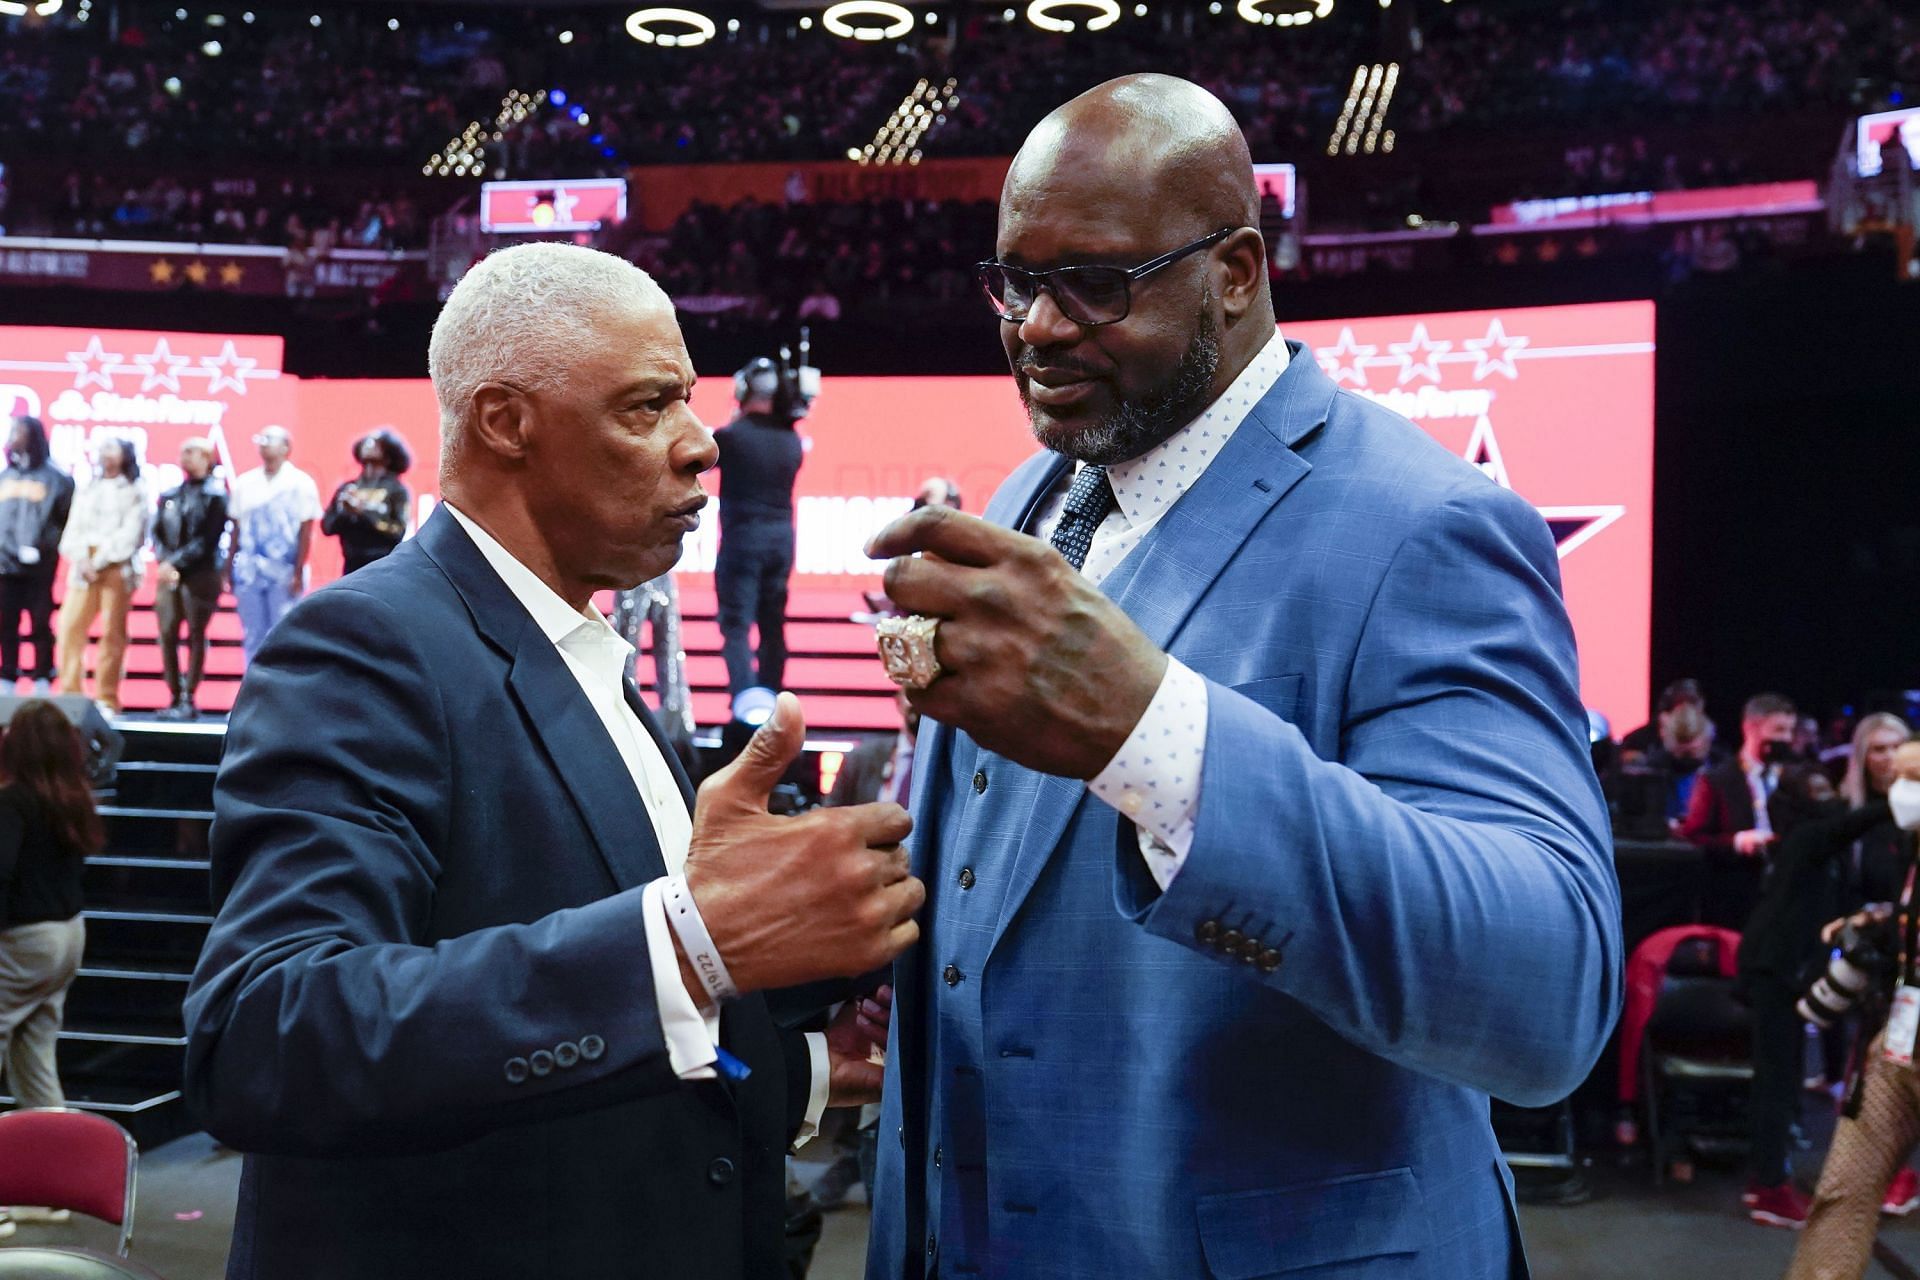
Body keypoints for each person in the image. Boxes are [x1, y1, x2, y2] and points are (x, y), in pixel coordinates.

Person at [862, 75, 1619, 1279]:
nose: (1040, 327)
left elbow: (1549, 986)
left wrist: (1159, 735)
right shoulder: (1028, 498)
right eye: (1016, 279)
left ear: (1236, 269)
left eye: (1097, 282)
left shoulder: (1428, 525)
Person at [183, 242, 925, 1280]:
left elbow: (613, 1033)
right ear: (506, 422)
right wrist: (695, 938)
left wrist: (800, 1069)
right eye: (646, 406)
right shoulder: (364, 643)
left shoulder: (585, 655)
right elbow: (270, 1033)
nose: (701, 443)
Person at [1735, 765, 1893, 1229]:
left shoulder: (1827, 850)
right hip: (1773, 968)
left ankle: (1769, 1181)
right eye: (1820, 791)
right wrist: (1896, 801)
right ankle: (1768, 1188)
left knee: (1782, 1079)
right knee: (1776, 1081)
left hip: (1786, 967)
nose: (1832, 798)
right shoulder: (1806, 838)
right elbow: (1844, 825)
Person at [1786, 740, 1920, 1279]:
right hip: (1899, 1048)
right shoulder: (1911, 851)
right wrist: (1879, 924)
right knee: (1843, 1192)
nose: (1905, 797)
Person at [0, 700, 103, 1112]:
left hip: (26, 939)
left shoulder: (12, 802)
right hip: (69, 934)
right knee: (35, 1057)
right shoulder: (74, 798)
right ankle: (56, 1155)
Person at [714, 357, 805, 696]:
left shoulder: (732, 437)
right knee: (773, 626)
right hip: (782, 541)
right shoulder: (791, 441)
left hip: (742, 541)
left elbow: (698, 459)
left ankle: (745, 707)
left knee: (736, 626)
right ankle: (773, 709)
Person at [1682, 692, 1799, 927]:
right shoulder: (1717, 779)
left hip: (1786, 894)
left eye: (1789, 731)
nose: (1785, 739)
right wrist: (1737, 841)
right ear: (1751, 728)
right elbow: (1694, 837)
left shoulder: (1797, 776)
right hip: (1735, 894)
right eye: (1778, 730)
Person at [54, 437, 148, 714]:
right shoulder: (88, 487)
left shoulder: (134, 489)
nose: (106, 454)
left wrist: (100, 559)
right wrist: (82, 558)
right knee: (69, 627)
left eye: (112, 449)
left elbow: (131, 533)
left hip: (116, 566)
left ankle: (107, 697)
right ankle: (70, 693)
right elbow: (73, 528)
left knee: (112, 634)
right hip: (84, 565)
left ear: (125, 455)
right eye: (103, 449)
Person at [228, 425, 321, 661]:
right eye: (261, 440)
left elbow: (305, 530)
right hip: (249, 570)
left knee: (283, 633)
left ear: (286, 447)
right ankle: (252, 690)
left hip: (284, 571)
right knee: (252, 634)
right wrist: (228, 566)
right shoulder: (245, 482)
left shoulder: (301, 483)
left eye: (270, 440)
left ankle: (280, 691)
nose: (264, 445)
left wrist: (298, 571)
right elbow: (236, 528)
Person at [151, 438, 229, 722]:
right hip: (168, 574)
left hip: (200, 574)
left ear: (207, 458)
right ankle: (173, 693)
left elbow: (208, 540)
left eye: (192, 452)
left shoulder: (216, 495)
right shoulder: (170, 494)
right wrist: (165, 561)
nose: (185, 457)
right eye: (183, 451)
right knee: (167, 632)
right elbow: (156, 532)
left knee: (196, 634)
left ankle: (189, 696)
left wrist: (176, 563)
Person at [0, 416, 73, 696]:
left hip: (38, 568)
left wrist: (43, 548)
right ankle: (7, 675)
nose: (13, 436)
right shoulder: (5, 477)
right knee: (7, 622)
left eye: (18, 431)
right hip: (5, 566)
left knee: (40, 622)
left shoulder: (56, 478)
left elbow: (65, 521)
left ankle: (42, 676)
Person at [320, 427, 412, 574]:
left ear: (388, 455)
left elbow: (397, 531)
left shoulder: (396, 490)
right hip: (351, 567)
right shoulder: (348, 488)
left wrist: (363, 514)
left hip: (382, 566)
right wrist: (345, 512)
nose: (369, 444)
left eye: (376, 442)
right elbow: (327, 527)